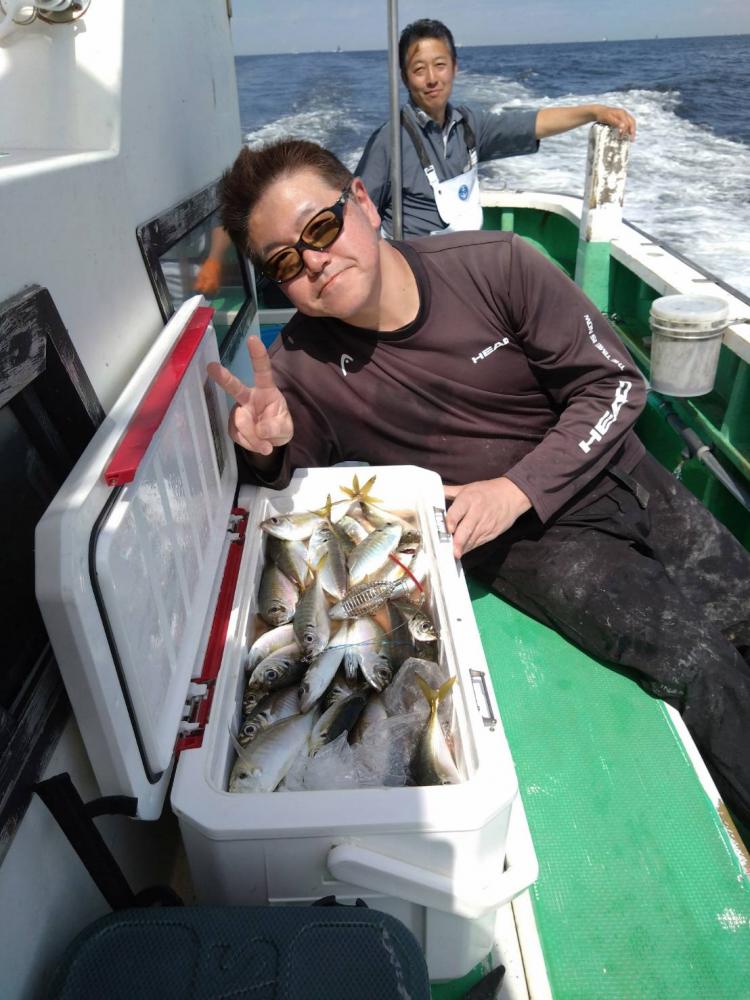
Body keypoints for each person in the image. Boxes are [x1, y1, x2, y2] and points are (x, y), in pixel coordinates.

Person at [207, 138, 750, 830]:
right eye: (284, 261)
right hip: (532, 546)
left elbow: (613, 383)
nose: (312, 260)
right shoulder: (299, 370)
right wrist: (263, 448)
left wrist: (516, 486)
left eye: (320, 227)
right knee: (702, 669)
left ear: (363, 203)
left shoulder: (496, 265)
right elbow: (284, 470)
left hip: (622, 476)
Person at [356, 18, 637, 237]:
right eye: (419, 69)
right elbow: (356, 215)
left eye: (440, 65)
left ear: (455, 67)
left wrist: (594, 112)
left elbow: (534, 124)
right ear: (405, 78)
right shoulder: (390, 141)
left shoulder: (470, 126)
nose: (432, 79)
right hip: (414, 273)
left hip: (467, 261)